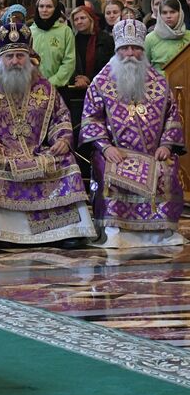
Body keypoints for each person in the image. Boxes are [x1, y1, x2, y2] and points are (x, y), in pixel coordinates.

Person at [0, 24, 95, 250]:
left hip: (38, 151)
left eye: (20, 56)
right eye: (9, 56)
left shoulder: (46, 88)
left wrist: (62, 139)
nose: (15, 61)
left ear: (29, 57)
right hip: (1, 152)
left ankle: (65, 231)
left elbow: (60, 117)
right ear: (1, 59)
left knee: (67, 160)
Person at [79, 18, 186, 248]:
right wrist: (105, 148)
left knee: (168, 169)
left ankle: (163, 231)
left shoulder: (158, 80)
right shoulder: (101, 82)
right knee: (108, 169)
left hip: (152, 153)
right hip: (115, 152)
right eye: (125, 48)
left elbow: (172, 115)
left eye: (136, 48)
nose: (130, 53)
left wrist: (166, 145)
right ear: (117, 50)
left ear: (142, 50)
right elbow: (90, 118)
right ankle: (114, 229)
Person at [31, 0, 75, 87]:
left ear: (55, 9)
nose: (44, 10)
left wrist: (52, 82)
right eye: (41, 6)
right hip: (32, 85)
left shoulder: (65, 31)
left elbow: (69, 61)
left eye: (49, 6)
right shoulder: (30, 31)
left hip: (58, 86)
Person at [72, 4, 114, 88]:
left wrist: (89, 78)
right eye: (76, 19)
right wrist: (78, 79)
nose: (79, 21)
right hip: (77, 85)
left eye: (83, 18)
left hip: (102, 84)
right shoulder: (72, 40)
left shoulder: (105, 39)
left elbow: (110, 63)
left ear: (91, 19)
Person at [147, 0, 188, 70]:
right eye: (164, 13)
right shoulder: (150, 38)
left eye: (172, 12)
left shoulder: (188, 36)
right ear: (159, 15)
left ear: (180, 13)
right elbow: (144, 67)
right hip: (159, 80)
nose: (168, 16)